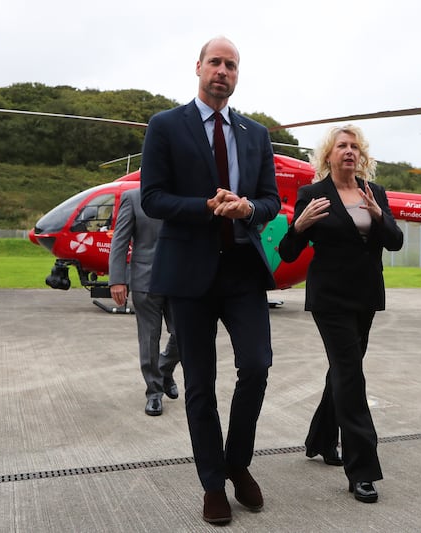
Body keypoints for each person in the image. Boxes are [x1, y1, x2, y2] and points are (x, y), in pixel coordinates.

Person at [139, 36, 280, 525]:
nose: (223, 71)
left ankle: (237, 461)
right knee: (200, 384)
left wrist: (246, 208)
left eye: (232, 65)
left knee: (257, 367)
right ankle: (213, 483)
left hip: (242, 269)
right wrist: (205, 206)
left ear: (237, 75)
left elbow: (271, 201)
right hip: (189, 273)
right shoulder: (165, 126)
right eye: (216, 62)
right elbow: (153, 198)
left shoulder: (255, 133)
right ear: (198, 67)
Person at [278, 124, 403, 503]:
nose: (348, 151)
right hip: (330, 299)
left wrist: (379, 215)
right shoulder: (312, 194)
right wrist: (299, 224)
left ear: (361, 155)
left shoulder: (373, 192)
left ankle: (319, 439)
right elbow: (287, 251)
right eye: (341, 146)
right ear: (328, 156)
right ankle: (362, 468)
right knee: (351, 376)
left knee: (342, 372)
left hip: (365, 297)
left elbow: (395, 242)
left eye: (354, 146)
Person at [108, 187, 180, 416]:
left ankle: (164, 368)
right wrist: (117, 279)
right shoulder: (132, 198)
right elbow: (120, 240)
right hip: (144, 279)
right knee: (149, 338)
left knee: (184, 334)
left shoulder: (182, 193)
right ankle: (154, 392)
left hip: (179, 279)